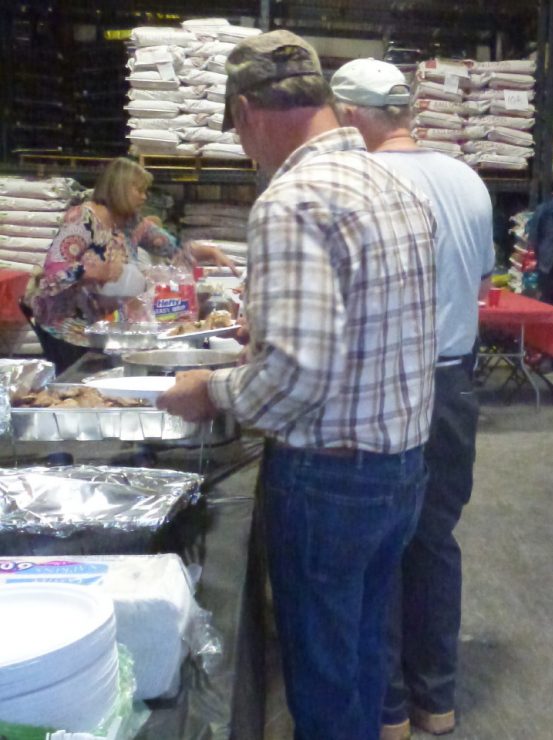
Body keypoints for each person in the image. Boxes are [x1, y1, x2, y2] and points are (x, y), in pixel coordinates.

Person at [157, 31, 437, 740]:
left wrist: (211, 389)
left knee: (322, 675)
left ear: (249, 109)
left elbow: (294, 378)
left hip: (328, 480)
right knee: (362, 655)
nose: (245, 146)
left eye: (238, 129)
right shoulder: (389, 185)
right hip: (399, 468)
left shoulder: (292, 201)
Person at [330, 58, 494, 739]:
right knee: (434, 539)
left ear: (348, 115)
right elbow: (480, 276)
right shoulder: (466, 178)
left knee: (378, 547)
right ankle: (438, 701)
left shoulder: (359, 180)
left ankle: (389, 710)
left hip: (381, 385)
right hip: (453, 380)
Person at [26, 157, 234, 373]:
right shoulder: (82, 219)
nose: (145, 197)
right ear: (120, 188)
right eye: (140, 190)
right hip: (67, 329)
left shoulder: (129, 221)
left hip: (102, 329)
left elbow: (170, 247)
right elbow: (50, 280)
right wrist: (87, 272)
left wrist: (206, 252)